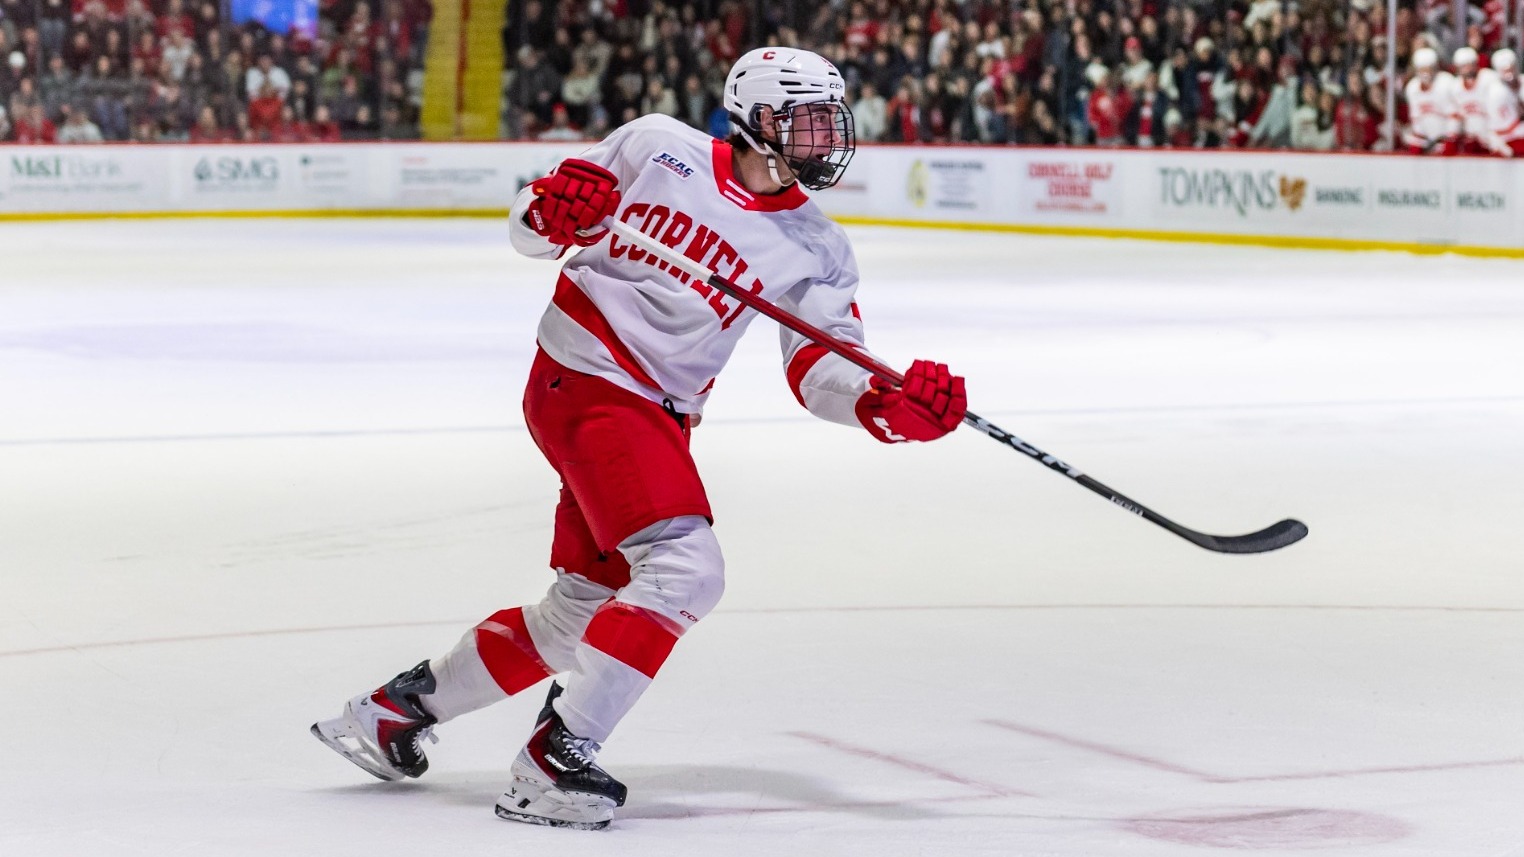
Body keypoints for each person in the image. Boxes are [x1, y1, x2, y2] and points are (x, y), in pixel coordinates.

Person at [312, 46, 968, 831]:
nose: (828, 138)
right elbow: (536, 219)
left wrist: (885, 407)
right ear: (760, 120)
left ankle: (388, 713)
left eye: (833, 120)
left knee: (578, 614)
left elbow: (821, 369)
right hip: (585, 381)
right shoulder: (658, 146)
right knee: (687, 565)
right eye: (810, 121)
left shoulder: (817, 246)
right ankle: (554, 759)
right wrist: (548, 215)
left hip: (656, 417)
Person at [1403, 47, 1458, 154]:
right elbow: (1416, 116)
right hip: (1426, 141)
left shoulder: (1446, 82)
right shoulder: (1412, 88)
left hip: (1445, 138)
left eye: (1428, 69)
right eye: (1422, 69)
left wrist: (1451, 137)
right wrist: (1420, 137)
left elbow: (1454, 115)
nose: (1426, 73)